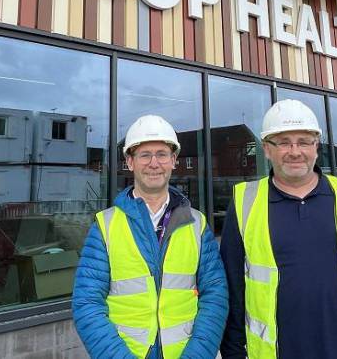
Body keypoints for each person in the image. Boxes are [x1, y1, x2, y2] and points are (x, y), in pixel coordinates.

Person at [219, 99, 337, 359]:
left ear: (316, 147)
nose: (295, 151)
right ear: (267, 149)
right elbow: (232, 292)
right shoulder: (246, 204)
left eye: (303, 141)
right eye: (284, 142)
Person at [73, 115, 228, 358]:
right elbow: (87, 304)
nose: (153, 163)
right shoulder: (105, 225)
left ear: (174, 160)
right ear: (130, 162)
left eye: (162, 154)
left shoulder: (197, 224)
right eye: (144, 155)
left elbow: (215, 296)